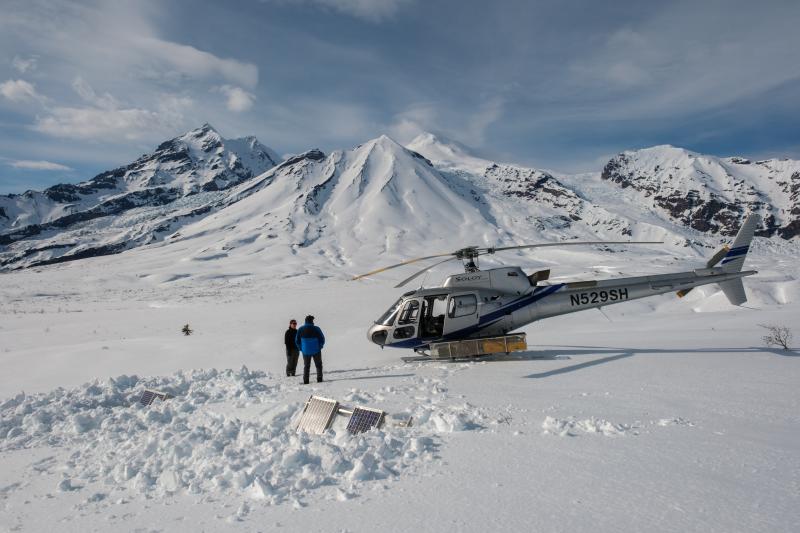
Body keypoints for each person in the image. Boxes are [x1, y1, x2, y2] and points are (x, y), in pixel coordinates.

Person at [295, 315, 325, 384]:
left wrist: (301, 348)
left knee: (306, 366)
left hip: (305, 351)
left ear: (305, 321)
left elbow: (297, 340)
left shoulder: (300, 329)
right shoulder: (316, 328)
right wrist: (320, 346)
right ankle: (319, 379)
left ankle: (306, 381)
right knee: (318, 365)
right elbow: (322, 339)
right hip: (316, 350)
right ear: (312, 321)